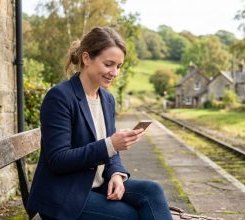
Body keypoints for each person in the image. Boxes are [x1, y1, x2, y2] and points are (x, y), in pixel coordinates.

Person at [26, 27, 173, 220]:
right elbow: (57, 160)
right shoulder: (60, 97)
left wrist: (117, 175)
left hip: (96, 184)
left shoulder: (107, 99)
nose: (115, 72)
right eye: (108, 64)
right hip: (64, 194)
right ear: (86, 59)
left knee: (152, 191)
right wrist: (110, 144)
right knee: (133, 216)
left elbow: (112, 153)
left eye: (119, 66)